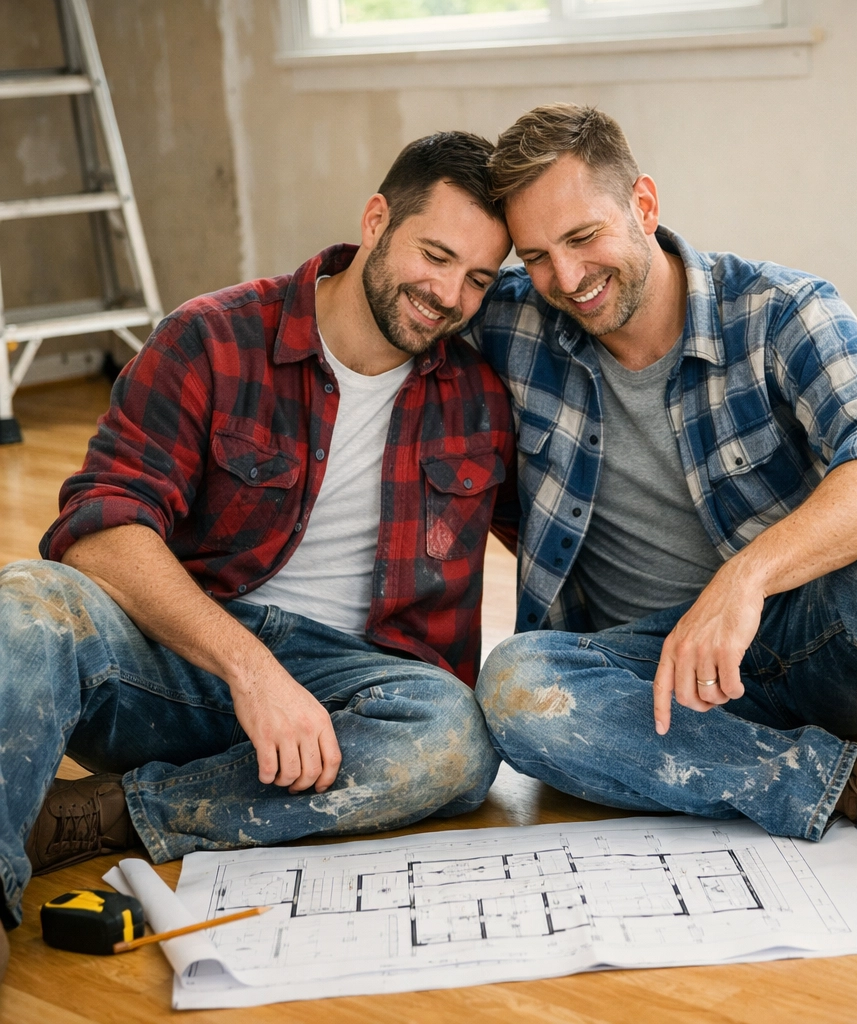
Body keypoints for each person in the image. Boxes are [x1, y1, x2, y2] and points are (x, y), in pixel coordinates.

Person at [0, 132, 519, 941]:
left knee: (454, 741)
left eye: (478, 278)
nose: (449, 294)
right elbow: (98, 527)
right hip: (180, 660)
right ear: (377, 220)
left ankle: (107, 816)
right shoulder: (211, 338)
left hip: (350, 706)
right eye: (436, 255)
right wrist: (251, 670)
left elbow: (568, 538)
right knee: (28, 603)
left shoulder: (481, 397)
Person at [472, 103, 857, 853]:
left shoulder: (779, 310)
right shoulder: (513, 323)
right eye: (534, 256)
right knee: (513, 686)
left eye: (582, 236)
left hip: (806, 637)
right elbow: (394, 293)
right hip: (646, 681)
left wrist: (745, 579)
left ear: (644, 204)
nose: (566, 278)